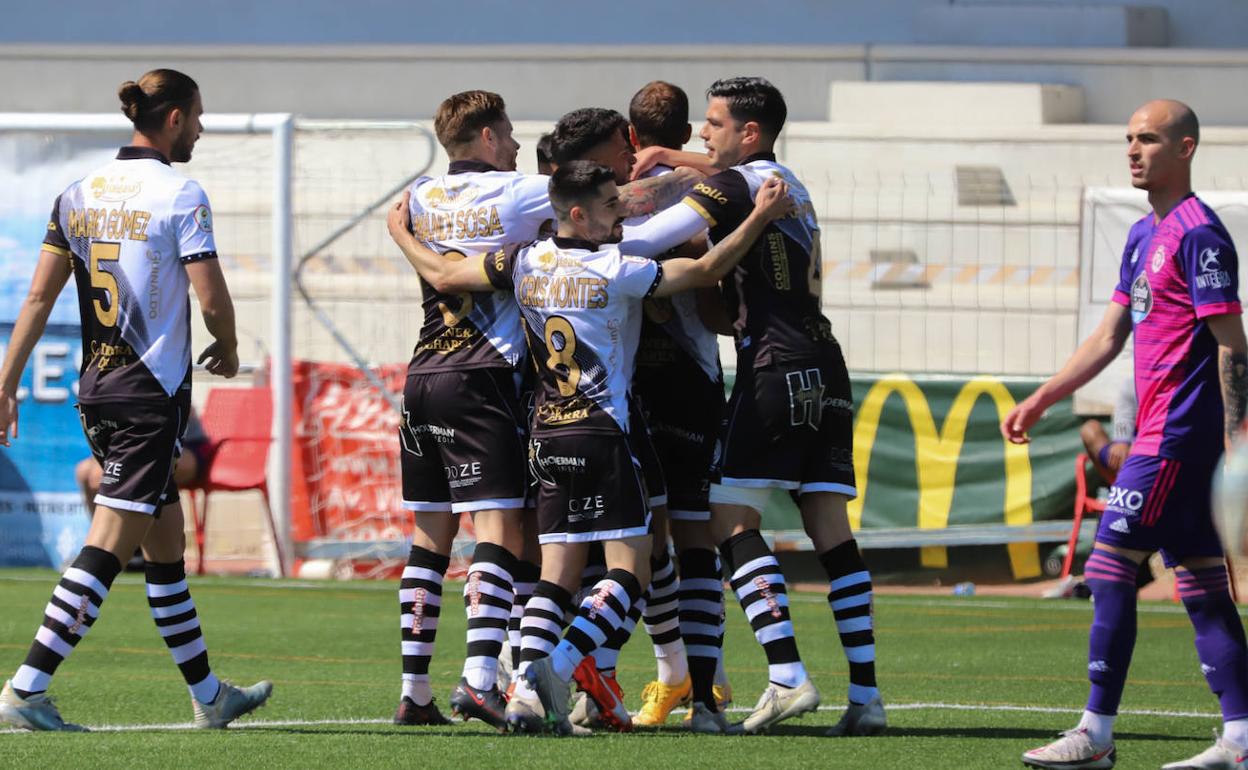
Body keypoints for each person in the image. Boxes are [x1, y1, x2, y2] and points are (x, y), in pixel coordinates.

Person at [388, 160, 792, 736]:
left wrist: (402, 234)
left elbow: (446, 277)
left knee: (557, 577)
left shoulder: (522, 261)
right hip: (605, 433)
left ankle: (526, 699)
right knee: (632, 570)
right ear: (578, 213)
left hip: (546, 435)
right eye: (610, 204)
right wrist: (757, 216)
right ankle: (544, 674)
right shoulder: (616, 268)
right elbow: (705, 270)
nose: (621, 212)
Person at [393, 91, 704, 730]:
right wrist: (706, 175)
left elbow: (448, 276)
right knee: (524, 540)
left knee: (433, 537)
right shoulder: (523, 196)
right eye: (505, 134)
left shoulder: (422, 196)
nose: (513, 145)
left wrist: (399, 234)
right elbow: (629, 214)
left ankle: (416, 688)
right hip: (502, 383)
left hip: (424, 372)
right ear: (484, 136)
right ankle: (494, 676)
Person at [0, 69, 271, 732]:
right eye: (199, 116)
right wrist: (229, 347)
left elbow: (36, 298)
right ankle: (26, 690)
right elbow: (209, 296)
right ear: (174, 118)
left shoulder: (77, 193)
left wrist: (5, 384)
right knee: (108, 545)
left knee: (166, 549)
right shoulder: (181, 193)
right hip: (148, 397)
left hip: (97, 391)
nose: (203, 129)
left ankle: (210, 696)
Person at [618, 76, 885, 736]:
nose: (701, 134)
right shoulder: (788, 180)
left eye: (712, 123)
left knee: (728, 523)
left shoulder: (736, 187)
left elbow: (652, 238)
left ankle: (788, 674)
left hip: (770, 363)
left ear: (750, 133)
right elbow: (713, 172)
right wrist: (680, 160)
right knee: (831, 529)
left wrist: (569, 233)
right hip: (825, 362)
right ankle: (868, 696)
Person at [1005, 99, 1248, 770]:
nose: (1133, 150)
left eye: (1148, 139)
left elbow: (1232, 344)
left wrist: (1235, 444)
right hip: (1158, 435)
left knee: (1110, 567)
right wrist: (1042, 398)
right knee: (1201, 585)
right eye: (1129, 139)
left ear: (1186, 148)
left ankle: (1097, 733)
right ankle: (1241, 739)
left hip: (1176, 437)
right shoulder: (1145, 233)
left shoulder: (1201, 234)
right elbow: (1109, 336)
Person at [624, 80, 734, 729]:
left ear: (632, 138)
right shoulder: (707, 192)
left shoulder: (619, 198)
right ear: (689, 130)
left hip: (634, 382)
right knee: (697, 534)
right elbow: (721, 313)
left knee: (643, 539)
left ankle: (671, 673)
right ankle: (706, 685)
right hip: (696, 380)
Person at [1080, 378, 1137, 485]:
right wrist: (1122, 440)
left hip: (1152, 452)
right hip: (1129, 454)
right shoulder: (1133, 382)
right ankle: (1115, 487)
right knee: (1089, 429)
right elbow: (1123, 416)